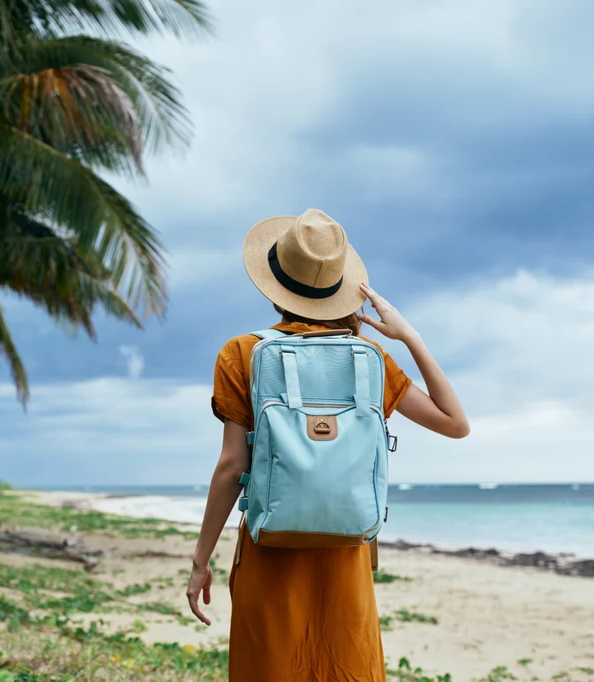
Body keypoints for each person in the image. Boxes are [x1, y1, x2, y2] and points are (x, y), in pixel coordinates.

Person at [186, 209, 469, 681]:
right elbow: (455, 424)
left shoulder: (243, 353)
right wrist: (410, 337)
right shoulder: (370, 360)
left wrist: (200, 560)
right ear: (338, 288)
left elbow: (232, 465)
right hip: (345, 557)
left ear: (276, 284)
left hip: (268, 551)